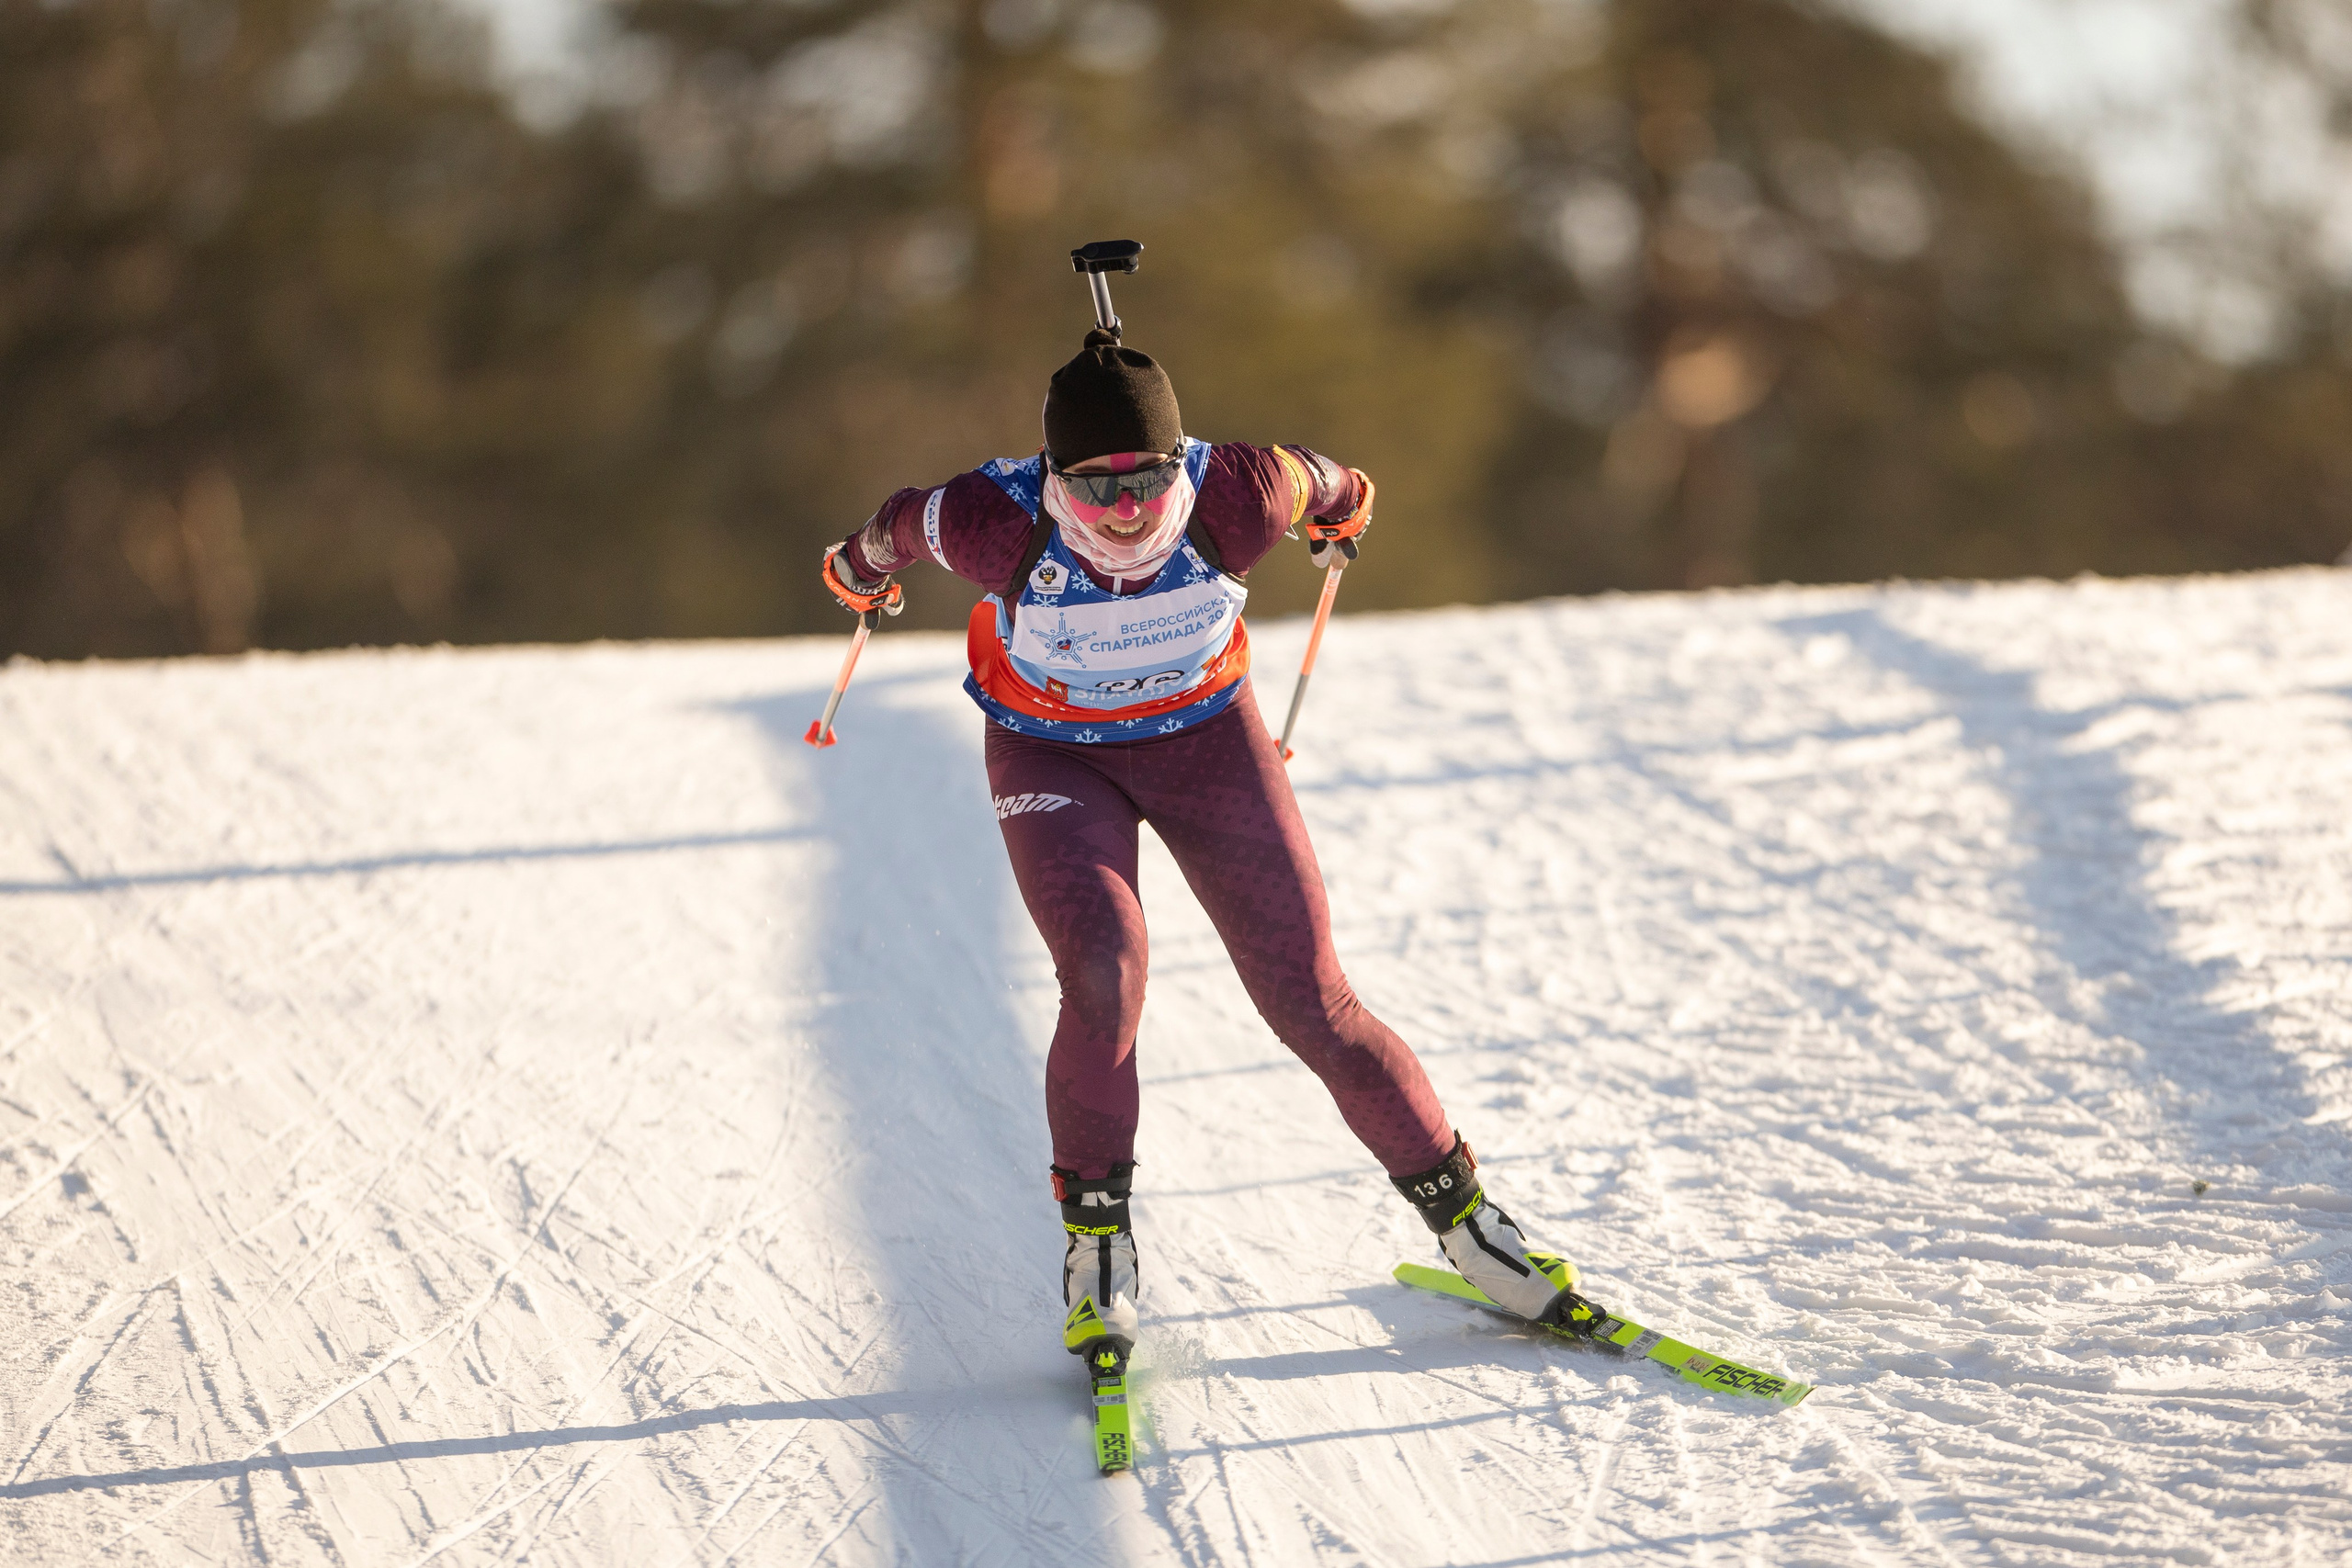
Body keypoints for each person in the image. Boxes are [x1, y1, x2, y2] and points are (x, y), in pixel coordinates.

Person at [820, 323, 1600, 1358]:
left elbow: (1328, 479)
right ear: (1050, 477)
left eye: (1143, 479)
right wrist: (856, 566)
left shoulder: (1236, 491)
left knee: (1313, 998)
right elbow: (894, 528)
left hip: (1209, 744)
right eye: (1093, 490)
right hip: (1057, 759)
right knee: (1104, 975)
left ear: (1176, 462)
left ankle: (1473, 1230)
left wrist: (1348, 503)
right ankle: (1098, 1249)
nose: (1126, 512)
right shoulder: (989, 520)